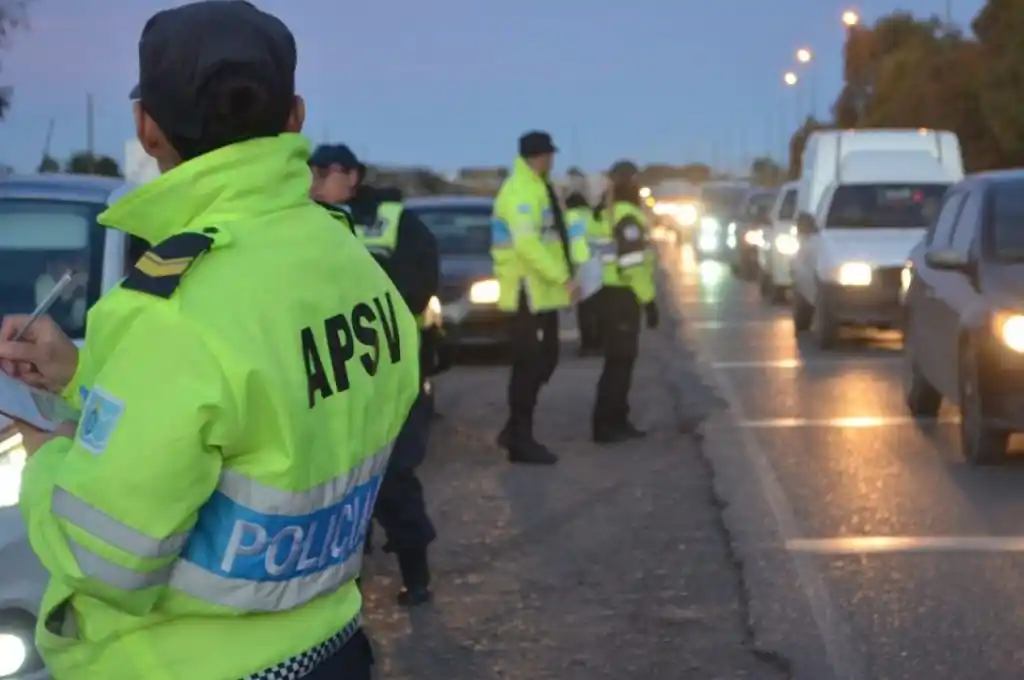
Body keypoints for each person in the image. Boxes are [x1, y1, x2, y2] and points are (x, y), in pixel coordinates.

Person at [0, 3, 419, 679]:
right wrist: (83, 377)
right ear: (295, 116)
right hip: (332, 643)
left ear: (147, 127)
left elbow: (101, 559)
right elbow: (258, 402)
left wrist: (53, 454)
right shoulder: (349, 262)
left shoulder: (174, 309)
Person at [310, 143, 441, 606]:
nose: (318, 178)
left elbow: (420, 281)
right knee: (336, 485)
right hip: (330, 378)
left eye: (328, 170)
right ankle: (345, 584)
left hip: (389, 375)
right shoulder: (299, 220)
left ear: (354, 176)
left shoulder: (391, 218)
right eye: (313, 170)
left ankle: (416, 573)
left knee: (393, 477)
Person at [492, 131, 589, 464]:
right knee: (529, 365)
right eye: (549, 155)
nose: (552, 161)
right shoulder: (520, 191)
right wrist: (562, 277)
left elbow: (555, 235)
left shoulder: (540, 188)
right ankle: (520, 440)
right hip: (524, 291)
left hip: (542, 293)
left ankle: (513, 430)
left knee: (545, 360)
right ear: (538, 156)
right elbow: (527, 244)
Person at [591, 160, 658, 443]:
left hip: (604, 293)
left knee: (615, 362)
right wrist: (649, 301)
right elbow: (631, 264)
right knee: (620, 363)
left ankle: (615, 419)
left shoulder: (604, 213)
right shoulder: (628, 217)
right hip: (622, 296)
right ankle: (609, 425)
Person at [564, 168, 604, 356]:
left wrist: (573, 271)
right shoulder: (590, 216)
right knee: (597, 307)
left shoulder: (572, 218)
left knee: (585, 308)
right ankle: (597, 341)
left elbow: (575, 243)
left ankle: (589, 344)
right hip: (597, 266)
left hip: (582, 266)